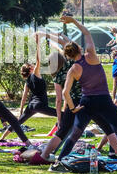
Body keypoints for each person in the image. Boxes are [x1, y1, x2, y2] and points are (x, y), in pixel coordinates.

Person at [49, 16, 117, 172]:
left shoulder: (73, 69)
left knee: (75, 135)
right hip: (103, 101)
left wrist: (73, 107)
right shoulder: (91, 56)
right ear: (79, 49)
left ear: (68, 56)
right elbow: (87, 33)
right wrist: (73, 21)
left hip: (86, 103)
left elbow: (65, 92)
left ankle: (59, 163)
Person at [35, 32, 83, 162]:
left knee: (62, 132)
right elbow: (66, 44)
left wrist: (59, 117)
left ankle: (45, 155)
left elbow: (58, 100)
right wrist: (47, 35)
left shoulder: (56, 76)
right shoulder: (69, 63)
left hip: (71, 102)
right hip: (84, 99)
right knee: (107, 124)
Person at [0, 34, 58, 140]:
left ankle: (2, 137)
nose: (34, 65)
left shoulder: (27, 81)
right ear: (31, 69)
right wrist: (38, 43)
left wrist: (21, 111)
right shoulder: (35, 73)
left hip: (31, 105)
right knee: (62, 115)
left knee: (17, 122)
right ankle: (59, 134)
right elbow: (38, 60)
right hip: (40, 105)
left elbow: (23, 97)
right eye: (32, 65)